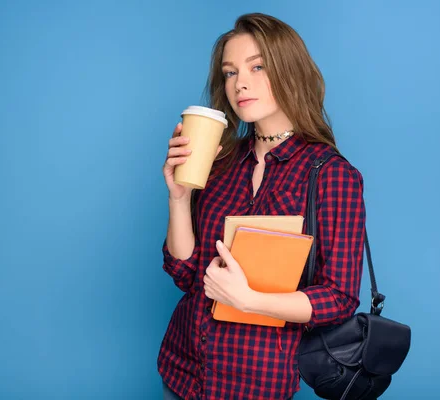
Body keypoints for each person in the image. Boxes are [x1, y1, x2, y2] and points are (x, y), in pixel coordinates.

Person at [158, 13, 366, 400]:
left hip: (257, 382)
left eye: (258, 66)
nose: (241, 83)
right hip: (183, 371)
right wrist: (179, 197)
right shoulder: (219, 161)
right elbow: (186, 273)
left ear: (290, 71)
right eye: (230, 72)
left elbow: (338, 298)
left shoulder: (331, 175)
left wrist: (249, 300)